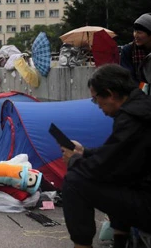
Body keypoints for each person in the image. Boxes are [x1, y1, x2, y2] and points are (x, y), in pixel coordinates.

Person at [61, 64, 151, 248]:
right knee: (119, 178)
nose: (98, 107)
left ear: (109, 94)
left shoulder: (133, 118)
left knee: (74, 182)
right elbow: (118, 153)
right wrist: (84, 152)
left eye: (96, 100)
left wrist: (74, 160)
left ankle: (82, 245)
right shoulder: (142, 106)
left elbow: (102, 168)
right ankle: (120, 241)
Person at [120, 13, 151, 83]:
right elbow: (127, 77)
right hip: (136, 91)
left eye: (139, 32)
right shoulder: (128, 50)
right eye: (134, 31)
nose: (135, 35)